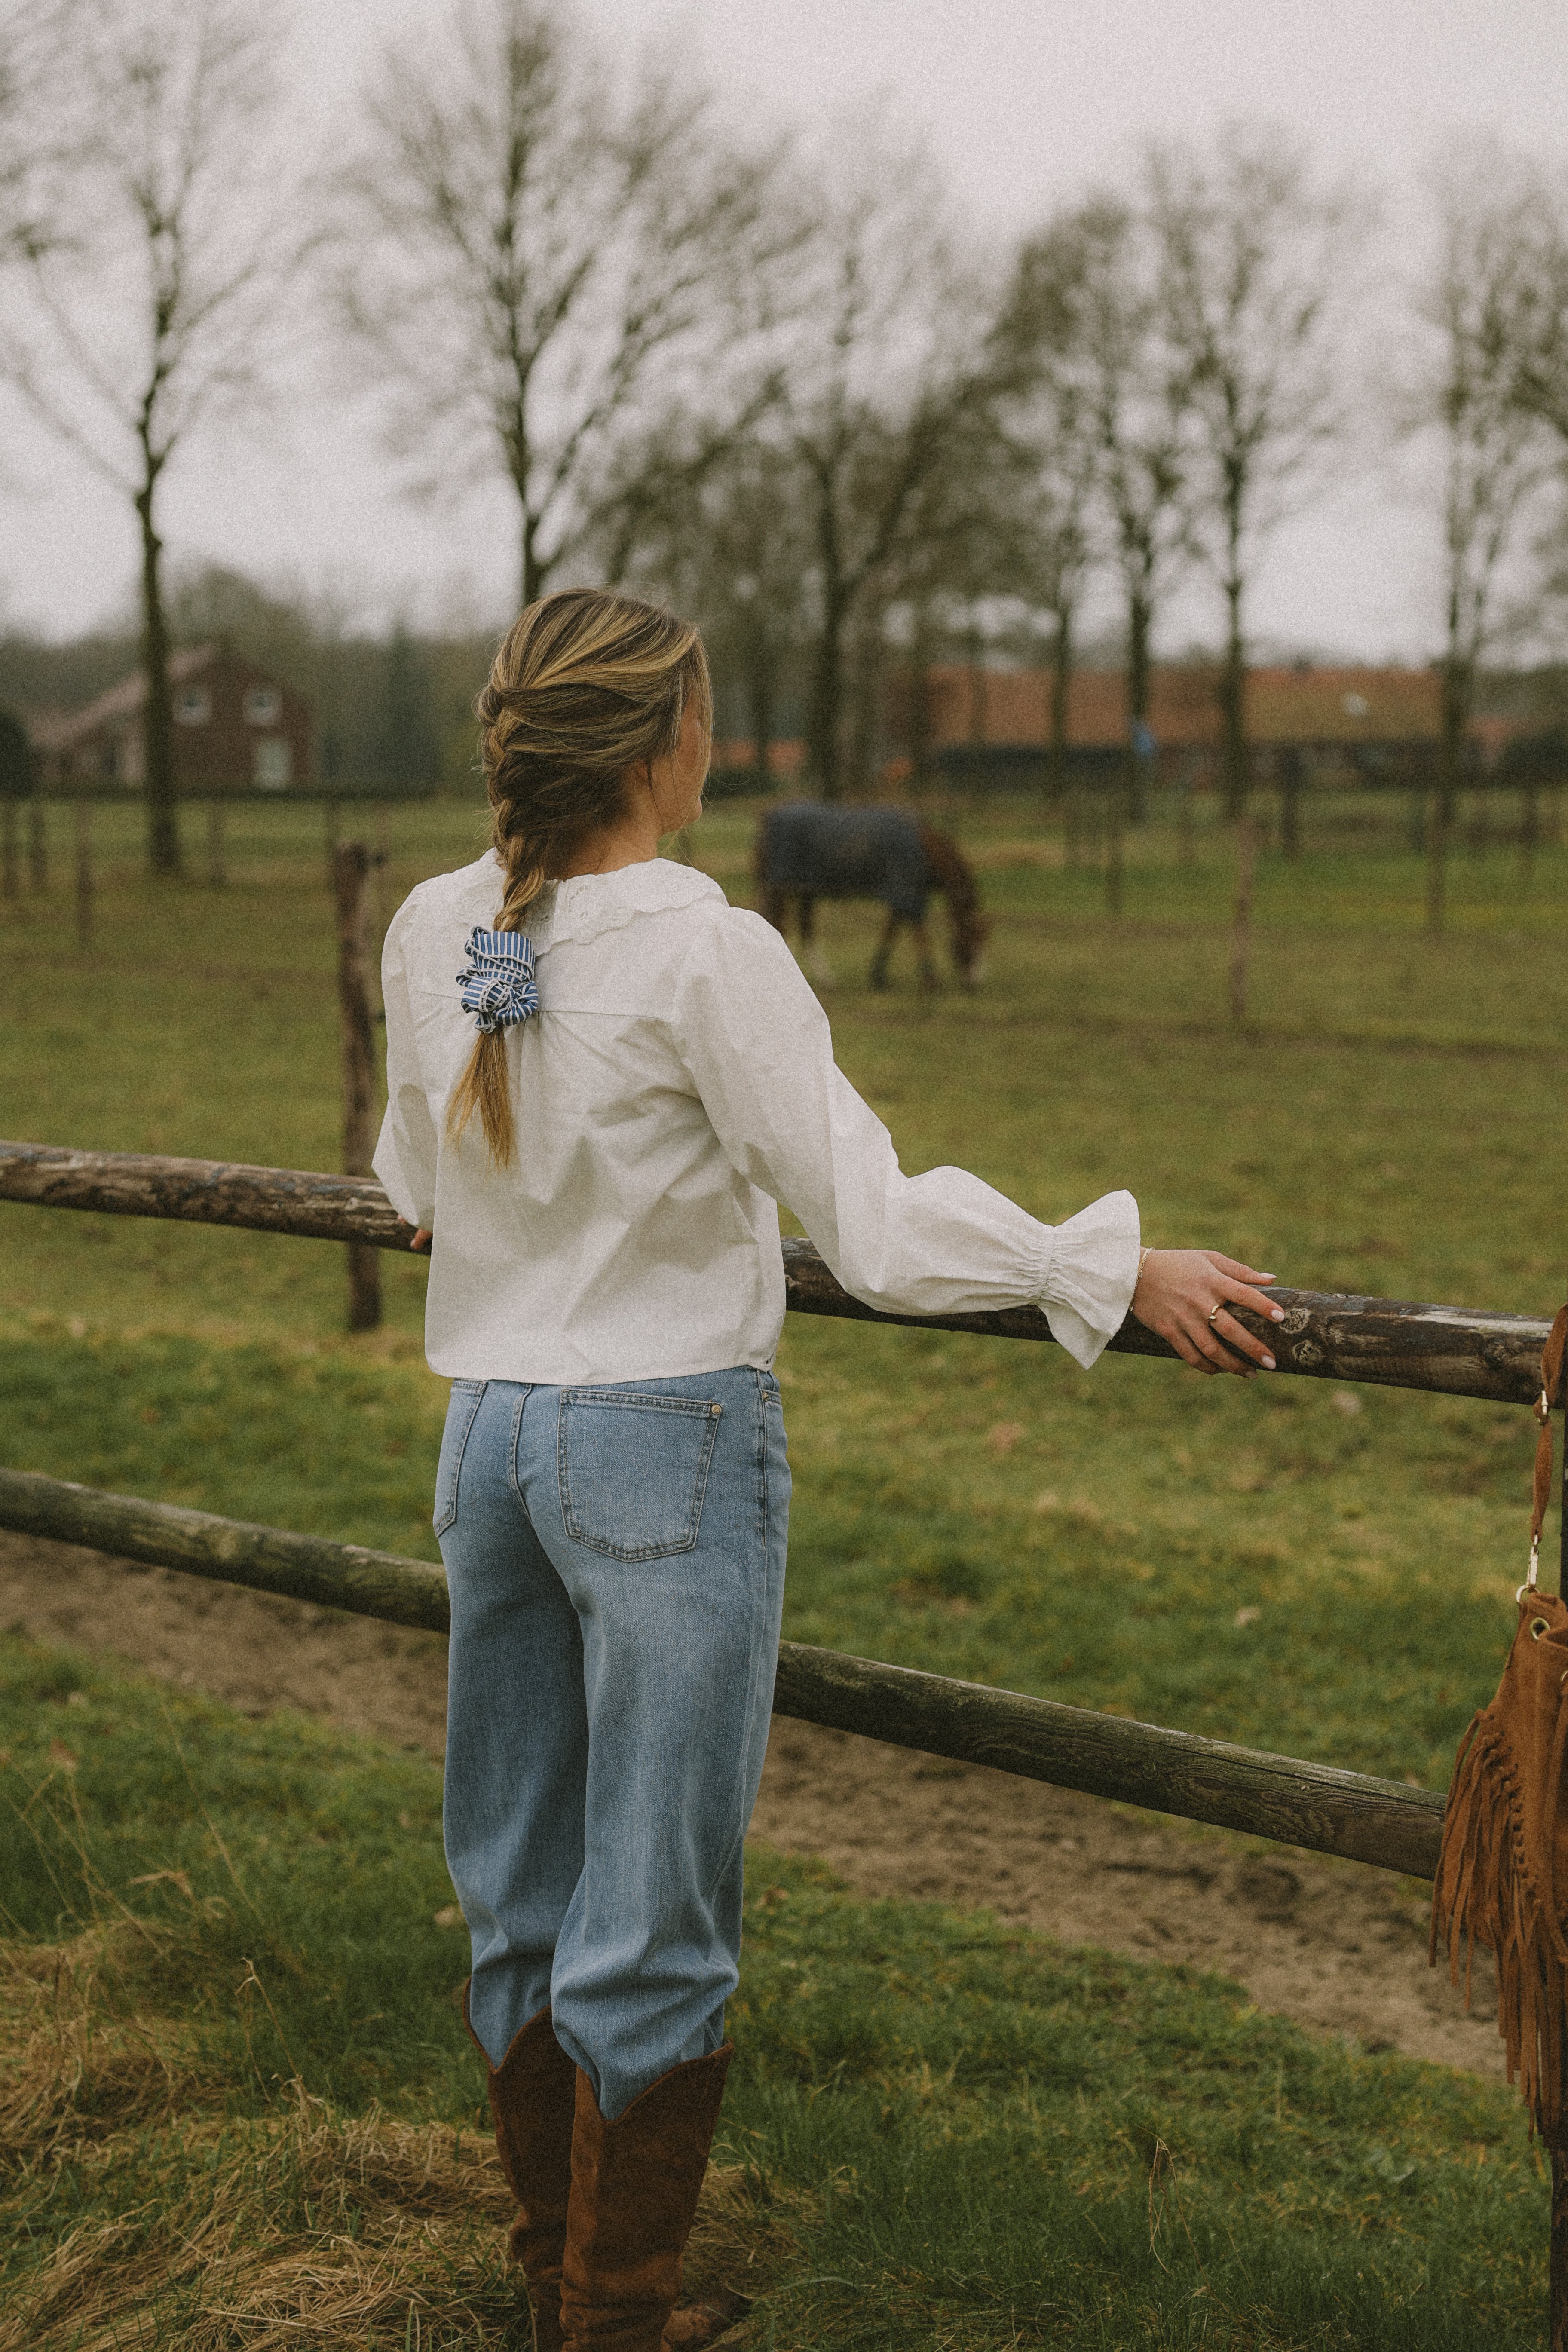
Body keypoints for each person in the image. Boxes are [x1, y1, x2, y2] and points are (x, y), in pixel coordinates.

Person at [372, 588, 1283, 2352]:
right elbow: (868, 1225)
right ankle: (614, 2319)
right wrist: (1101, 1264)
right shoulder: (710, 951)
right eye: (706, 719)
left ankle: (552, 2276)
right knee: (655, 1899)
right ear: (664, 749)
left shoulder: (432, 927)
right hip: (666, 1444)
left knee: (520, 1873)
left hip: (487, 1439)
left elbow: (418, 1186)